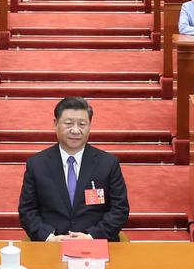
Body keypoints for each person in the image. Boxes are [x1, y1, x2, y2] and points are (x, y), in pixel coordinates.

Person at [18, 97, 129, 241]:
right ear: (55, 124)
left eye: (82, 124)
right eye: (69, 123)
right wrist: (49, 237)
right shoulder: (37, 164)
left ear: (90, 126)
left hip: (95, 244)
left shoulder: (108, 163)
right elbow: (27, 211)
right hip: (52, 245)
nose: (76, 130)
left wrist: (91, 236)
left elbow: (119, 209)